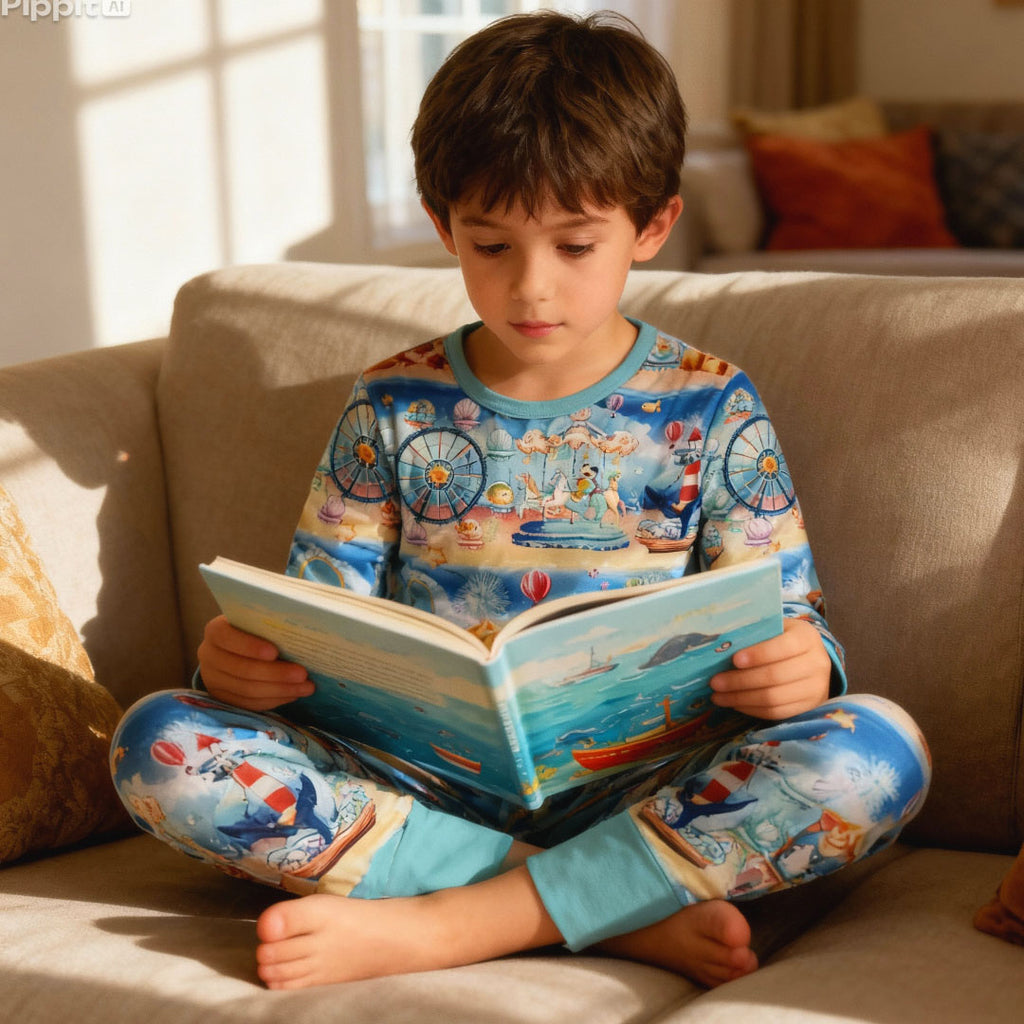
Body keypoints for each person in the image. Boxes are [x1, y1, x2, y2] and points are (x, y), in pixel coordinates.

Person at [110, 11, 931, 992]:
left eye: (576, 245)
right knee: (156, 740)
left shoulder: (712, 401)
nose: (531, 287)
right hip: (418, 794)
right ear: (442, 223)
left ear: (652, 226)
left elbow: (794, 619)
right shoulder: (392, 404)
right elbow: (315, 621)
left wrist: (802, 668)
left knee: (878, 752)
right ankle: (601, 909)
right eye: (490, 244)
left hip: (642, 789)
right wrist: (241, 666)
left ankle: (454, 920)